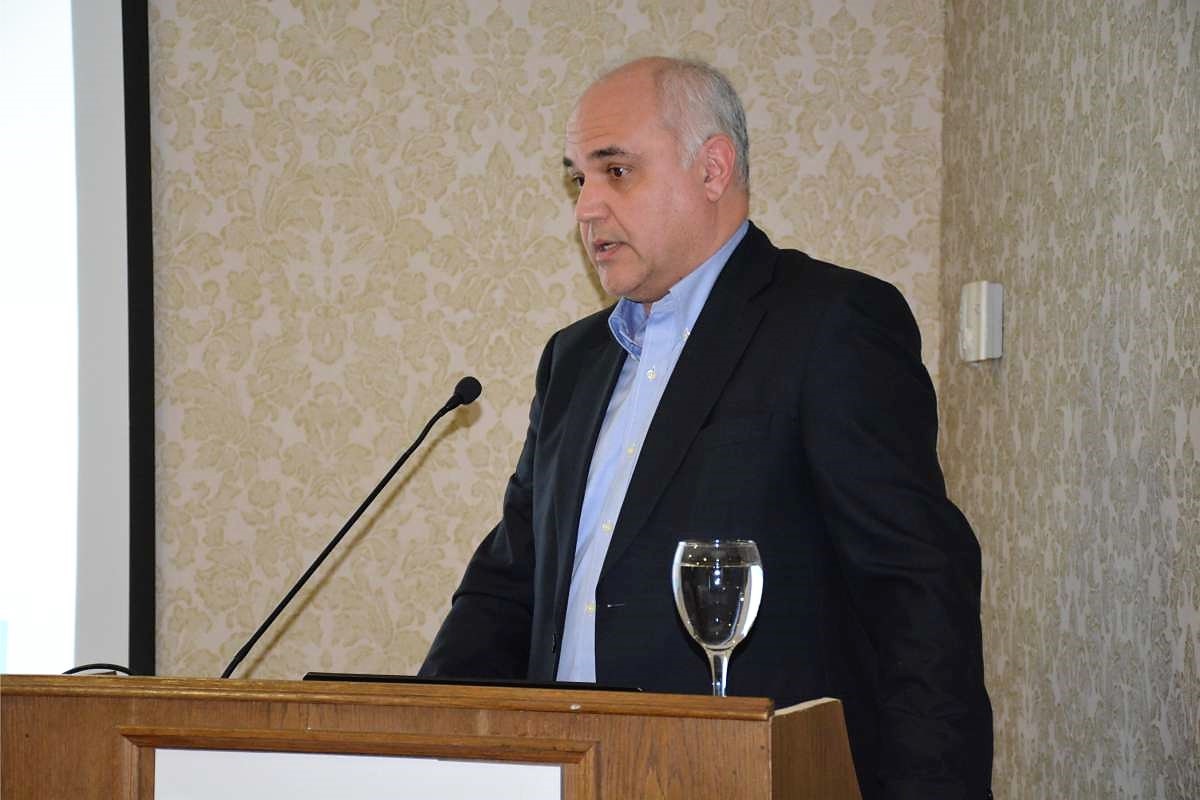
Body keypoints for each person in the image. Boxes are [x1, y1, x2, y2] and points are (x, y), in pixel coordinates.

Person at [421, 56, 993, 799]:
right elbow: (508, 586)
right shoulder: (573, 361)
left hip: (747, 778)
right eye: (578, 179)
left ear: (713, 169)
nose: (586, 208)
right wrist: (417, 750)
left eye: (616, 171)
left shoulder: (829, 324)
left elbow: (916, 591)